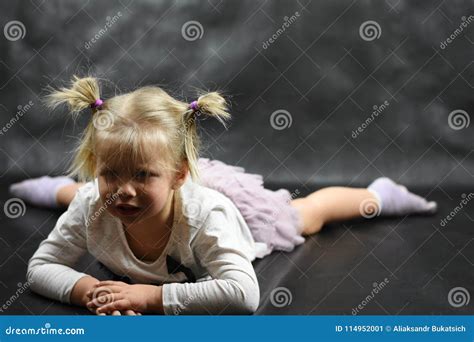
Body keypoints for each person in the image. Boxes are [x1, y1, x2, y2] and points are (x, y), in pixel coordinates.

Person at [9, 76, 438, 315]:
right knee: (91, 201)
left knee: (305, 215)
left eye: (143, 174)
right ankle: (55, 186)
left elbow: (242, 294)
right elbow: (41, 267)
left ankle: (380, 196)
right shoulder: (101, 199)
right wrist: (84, 288)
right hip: (115, 200)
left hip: (241, 214)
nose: (124, 188)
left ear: (177, 175)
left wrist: (151, 296)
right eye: (109, 172)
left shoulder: (205, 219)